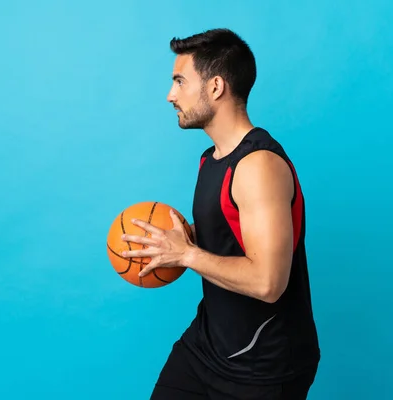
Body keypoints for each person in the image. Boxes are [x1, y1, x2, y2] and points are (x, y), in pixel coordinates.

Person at [120, 28, 320, 399]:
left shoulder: (259, 165)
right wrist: (176, 239)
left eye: (180, 81)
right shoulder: (211, 160)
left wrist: (186, 254)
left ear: (215, 87)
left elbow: (267, 282)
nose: (170, 95)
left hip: (263, 364)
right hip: (208, 345)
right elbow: (233, 230)